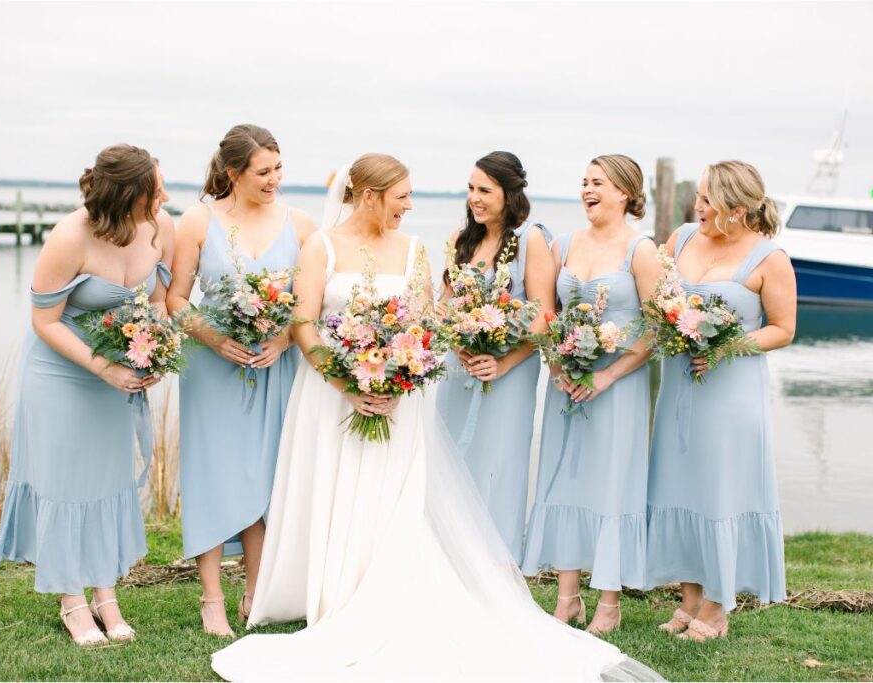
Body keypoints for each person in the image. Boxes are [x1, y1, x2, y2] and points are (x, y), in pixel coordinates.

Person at [209, 154, 661, 681]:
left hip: (406, 392)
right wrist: (348, 378)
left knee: (417, 490)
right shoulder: (331, 245)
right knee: (345, 483)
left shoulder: (433, 248)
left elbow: (434, 319)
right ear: (371, 195)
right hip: (338, 391)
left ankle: (451, 581)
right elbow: (308, 320)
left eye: (481, 189)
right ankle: (337, 587)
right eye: (402, 196)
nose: (411, 205)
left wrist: (402, 371)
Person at [0, 144, 175, 646]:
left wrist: (150, 353)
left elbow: (157, 301)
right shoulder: (69, 236)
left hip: (118, 372)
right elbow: (44, 320)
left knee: (105, 479)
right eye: (155, 191)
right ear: (126, 196)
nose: (164, 197)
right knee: (65, 483)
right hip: (62, 372)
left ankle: (106, 595)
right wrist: (107, 368)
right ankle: (71, 601)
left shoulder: (163, 228)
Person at [166, 124, 315, 636]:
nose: (275, 179)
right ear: (233, 173)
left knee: (266, 478)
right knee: (213, 474)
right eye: (263, 171)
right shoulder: (196, 220)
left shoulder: (300, 224)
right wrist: (213, 339)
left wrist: (284, 340)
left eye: (278, 169)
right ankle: (212, 599)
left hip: (276, 366)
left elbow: (309, 304)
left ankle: (257, 591)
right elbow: (176, 299)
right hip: (213, 367)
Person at [645, 160, 796, 642]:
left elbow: (783, 329)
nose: (698, 206)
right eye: (699, 197)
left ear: (735, 208)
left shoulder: (770, 258)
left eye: (708, 199)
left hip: (730, 394)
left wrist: (727, 346)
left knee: (720, 491)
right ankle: (689, 600)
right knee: (679, 485)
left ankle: (716, 606)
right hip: (679, 385)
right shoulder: (683, 238)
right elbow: (659, 299)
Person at [522, 155, 660, 635]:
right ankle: (566, 599)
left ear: (624, 192)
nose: (587, 190)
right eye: (583, 182)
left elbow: (657, 329)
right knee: (564, 478)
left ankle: (609, 601)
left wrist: (606, 376)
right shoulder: (564, 244)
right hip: (566, 385)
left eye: (597, 183)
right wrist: (558, 363)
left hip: (617, 387)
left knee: (610, 483)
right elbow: (547, 312)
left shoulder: (641, 251)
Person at [435, 151, 555, 561]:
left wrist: (501, 362)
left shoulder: (530, 240)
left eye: (485, 190)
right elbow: (443, 308)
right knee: (451, 464)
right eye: (471, 188)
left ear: (509, 193)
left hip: (510, 373)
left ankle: (495, 568)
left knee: (497, 466)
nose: (475, 198)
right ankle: (447, 564)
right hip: (460, 368)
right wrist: (459, 343)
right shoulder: (459, 241)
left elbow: (542, 315)